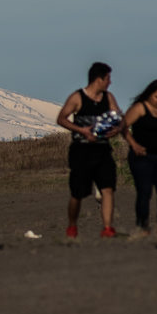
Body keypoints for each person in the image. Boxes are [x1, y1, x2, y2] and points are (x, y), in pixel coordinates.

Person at [56, 62, 123, 238]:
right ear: (98, 79)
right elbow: (61, 118)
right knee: (78, 193)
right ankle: (72, 225)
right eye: (108, 78)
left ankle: (107, 227)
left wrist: (115, 130)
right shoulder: (77, 98)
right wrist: (81, 131)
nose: (110, 82)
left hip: (102, 150)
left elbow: (118, 118)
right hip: (81, 151)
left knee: (107, 188)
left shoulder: (108, 98)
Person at [123, 79, 157, 234]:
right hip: (142, 157)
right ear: (149, 95)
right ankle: (142, 224)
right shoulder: (140, 108)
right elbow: (123, 126)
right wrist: (133, 144)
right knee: (145, 190)